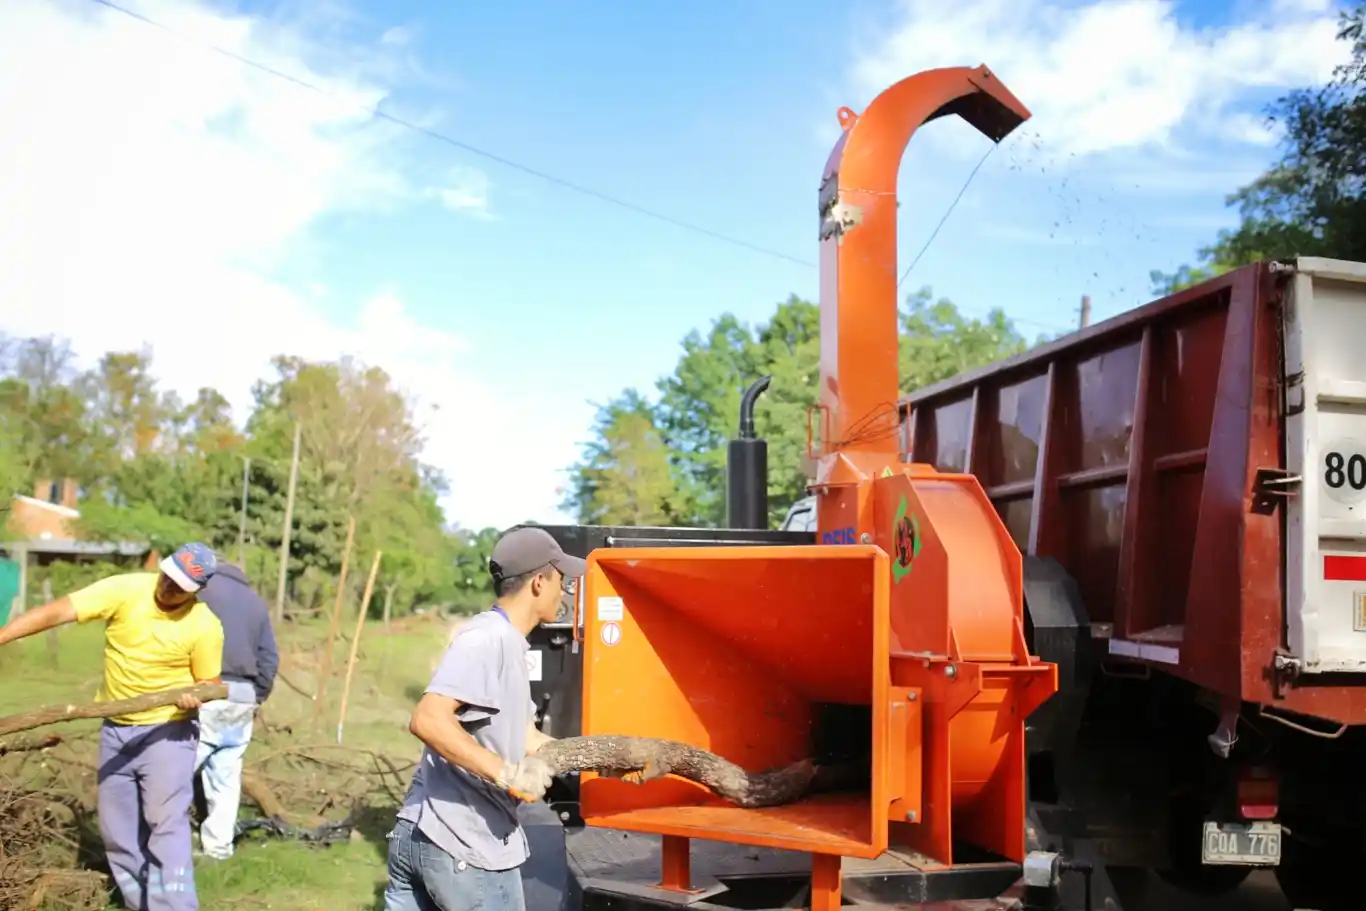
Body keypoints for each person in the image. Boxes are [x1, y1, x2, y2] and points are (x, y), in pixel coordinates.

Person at [0, 542, 223, 911]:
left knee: (165, 829)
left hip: (168, 734)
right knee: (117, 832)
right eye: (167, 576)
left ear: (196, 590)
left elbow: (211, 682)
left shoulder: (204, 626)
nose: (168, 586)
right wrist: (3, 635)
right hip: (116, 730)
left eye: (180, 584)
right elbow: (57, 612)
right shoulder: (125, 589)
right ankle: (141, 904)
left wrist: (194, 694)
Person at [384, 525, 586, 911]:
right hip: (462, 846)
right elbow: (428, 719)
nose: (565, 591)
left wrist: (604, 762)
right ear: (539, 582)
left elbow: (527, 738)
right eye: (561, 579)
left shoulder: (508, 643)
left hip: (435, 837)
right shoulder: (487, 639)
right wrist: (506, 774)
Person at [193, 560, 279, 860]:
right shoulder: (256, 603)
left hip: (206, 689)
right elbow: (269, 658)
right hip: (243, 695)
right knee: (226, 778)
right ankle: (218, 850)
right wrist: (258, 696)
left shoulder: (201, 591)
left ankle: (159, 846)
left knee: (177, 772)